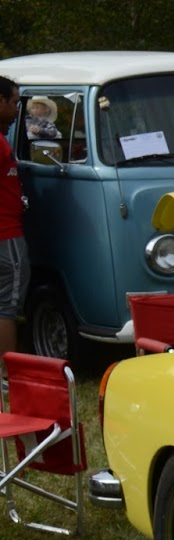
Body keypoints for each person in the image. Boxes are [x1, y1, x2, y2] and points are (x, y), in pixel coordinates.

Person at [0, 78, 27, 357]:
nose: (17, 110)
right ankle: (7, 373)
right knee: (6, 305)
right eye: (14, 103)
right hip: (5, 234)